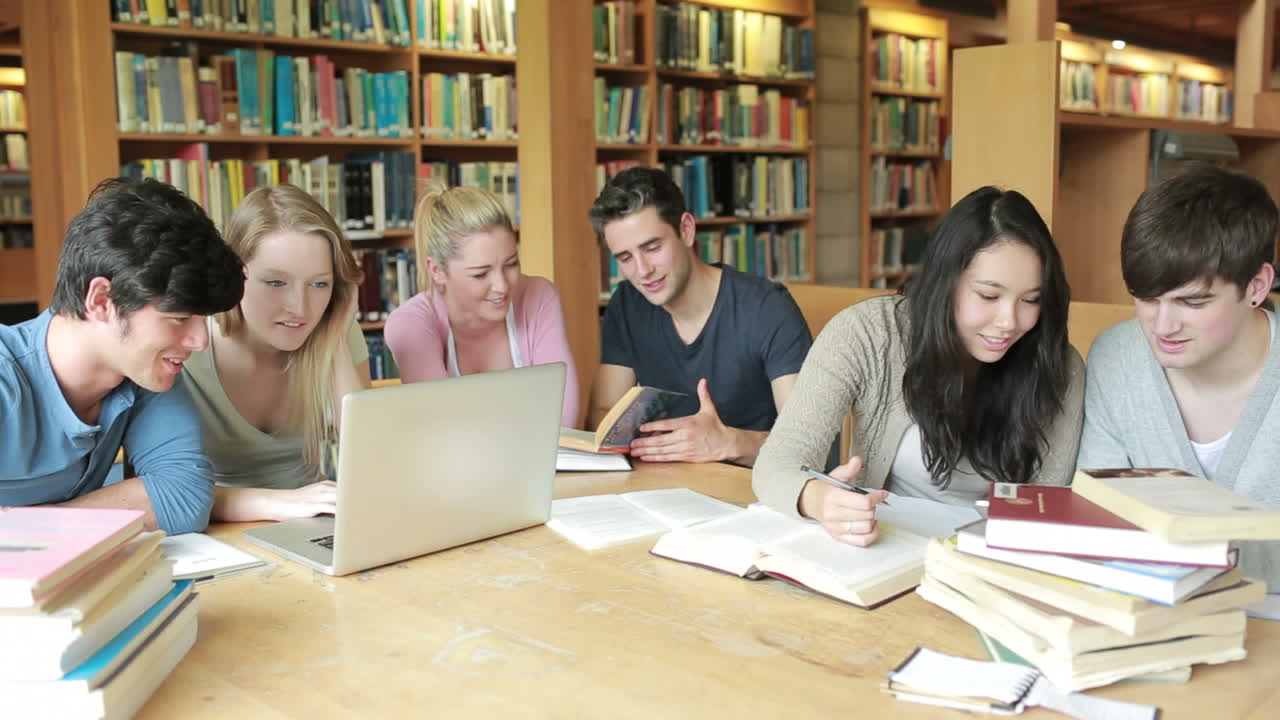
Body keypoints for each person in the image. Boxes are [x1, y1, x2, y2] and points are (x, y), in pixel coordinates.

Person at [753, 186, 1084, 546]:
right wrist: (819, 499)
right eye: (989, 296)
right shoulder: (867, 333)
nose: (1009, 320)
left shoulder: (1060, 367)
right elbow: (777, 464)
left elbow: (1046, 510)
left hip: (992, 563)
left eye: (1031, 300)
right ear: (945, 282)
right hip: (882, 549)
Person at [0, 177, 244, 534]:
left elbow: (184, 499)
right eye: (179, 317)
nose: (198, 341)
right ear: (101, 301)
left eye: (203, 320)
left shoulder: (143, 371)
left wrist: (26, 531)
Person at [1077, 164, 1280, 589]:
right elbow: (1099, 521)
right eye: (1147, 299)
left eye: (1192, 302)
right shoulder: (1117, 357)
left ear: (1257, 286)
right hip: (1147, 614)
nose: (1163, 326)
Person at [588, 167, 811, 465]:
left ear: (686, 230)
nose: (642, 271)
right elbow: (602, 416)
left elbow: (808, 443)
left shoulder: (768, 308)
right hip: (665, 489)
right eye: (625, 258)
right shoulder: (627, 305)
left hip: (754, 491)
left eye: (652, 248)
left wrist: (729, 442)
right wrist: (651, 442)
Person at [182, 184, 371, 522]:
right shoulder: (186, 345)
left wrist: (336, 341)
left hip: (312, 525)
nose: (299, 308)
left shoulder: (335, 327)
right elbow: (162, 491)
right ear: (234, 275)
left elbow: (375, 460)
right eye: (275, 283)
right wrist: (280, 503)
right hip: (209, 533)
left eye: (319, 284)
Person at [385, 183, 579, 428]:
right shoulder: (410, 324)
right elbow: (443, 430)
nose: (501, 286)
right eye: (480, 274)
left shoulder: (539, 296)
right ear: (436, 271)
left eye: (511, 264)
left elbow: (563, 423)